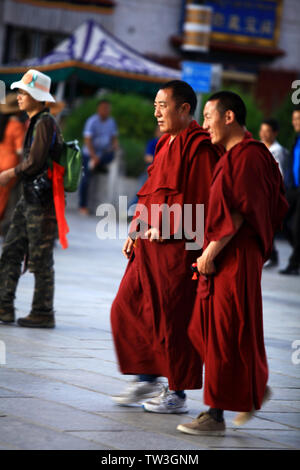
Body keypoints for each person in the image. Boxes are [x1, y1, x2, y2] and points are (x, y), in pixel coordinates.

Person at [177, 91, 288, 435]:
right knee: (205, 327)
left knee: (224, 332)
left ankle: (215, 414)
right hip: (225, 253)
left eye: (209, 116)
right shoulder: (232, 155)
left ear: (228, 117)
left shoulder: (250, 157)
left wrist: (210, 252)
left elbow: (241, 211)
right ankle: (250, 386)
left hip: (236, 256)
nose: (205, 123)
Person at [110, 80, 221, 413]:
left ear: (185, 109)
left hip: (176, 251)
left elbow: (202, 204)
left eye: (163, 105)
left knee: (172, 319)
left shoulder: (198, 146)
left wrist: (169, 227)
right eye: (155, 105)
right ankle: (146, 378)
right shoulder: (164, 144)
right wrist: (136, 228)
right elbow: (150, 192)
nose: (156, 112)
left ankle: (177, 393)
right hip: (147, 248)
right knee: (125, 308)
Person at [0, 69, 63, 328]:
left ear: (38, 97)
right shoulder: (34, 122)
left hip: (41, 202)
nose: (20, 97)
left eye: (25, 92)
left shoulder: (45, 123)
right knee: (12, 250)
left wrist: (11, 172)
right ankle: (4, 306)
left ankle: (43, 311)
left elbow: (36, 162)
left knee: (39, 258)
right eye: (19, 92)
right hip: (28, 199)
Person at [79, 99, 119, 215]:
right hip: (89, 154)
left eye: (108, 108)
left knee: (110, 155)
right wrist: (93, 156)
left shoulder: (111, 122)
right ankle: (82, 205)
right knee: (85, 179)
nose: (106, 111)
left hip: (103, 154)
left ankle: (96, 163)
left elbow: (114, 138)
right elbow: (87, 140)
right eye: (104, 108)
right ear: (99, 109)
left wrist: (115, 146)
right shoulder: (92, 121)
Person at [259, 118, 288, 268]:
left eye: (267, 131)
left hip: (271, 194)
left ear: (275, 133)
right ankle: (271, 255)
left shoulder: (278, 151)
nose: (263, 134)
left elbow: (280, 175)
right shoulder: (259, 148)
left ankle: (269, 255)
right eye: (262, 130)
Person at [0, 94, 26, 236]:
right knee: (4, 198)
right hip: (9, 166)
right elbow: (19, 150)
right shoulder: (16, 125)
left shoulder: (3, 124)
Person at [279, 105, 300, 275]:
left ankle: (294, 263)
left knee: (297, 226)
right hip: (293, 188)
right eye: (294, 119)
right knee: (282, 221)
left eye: (298, 119)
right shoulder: (296, 140)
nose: (295, 123)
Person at [129, 126, 162, 208]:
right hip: (150, 172)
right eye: (159, 131)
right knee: (142, 192)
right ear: (156, 132)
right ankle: (129, 210)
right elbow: (147, 158)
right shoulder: (152, 143)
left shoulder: (166, 143)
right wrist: (159, 160)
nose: (161, 133)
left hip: (161, 172)